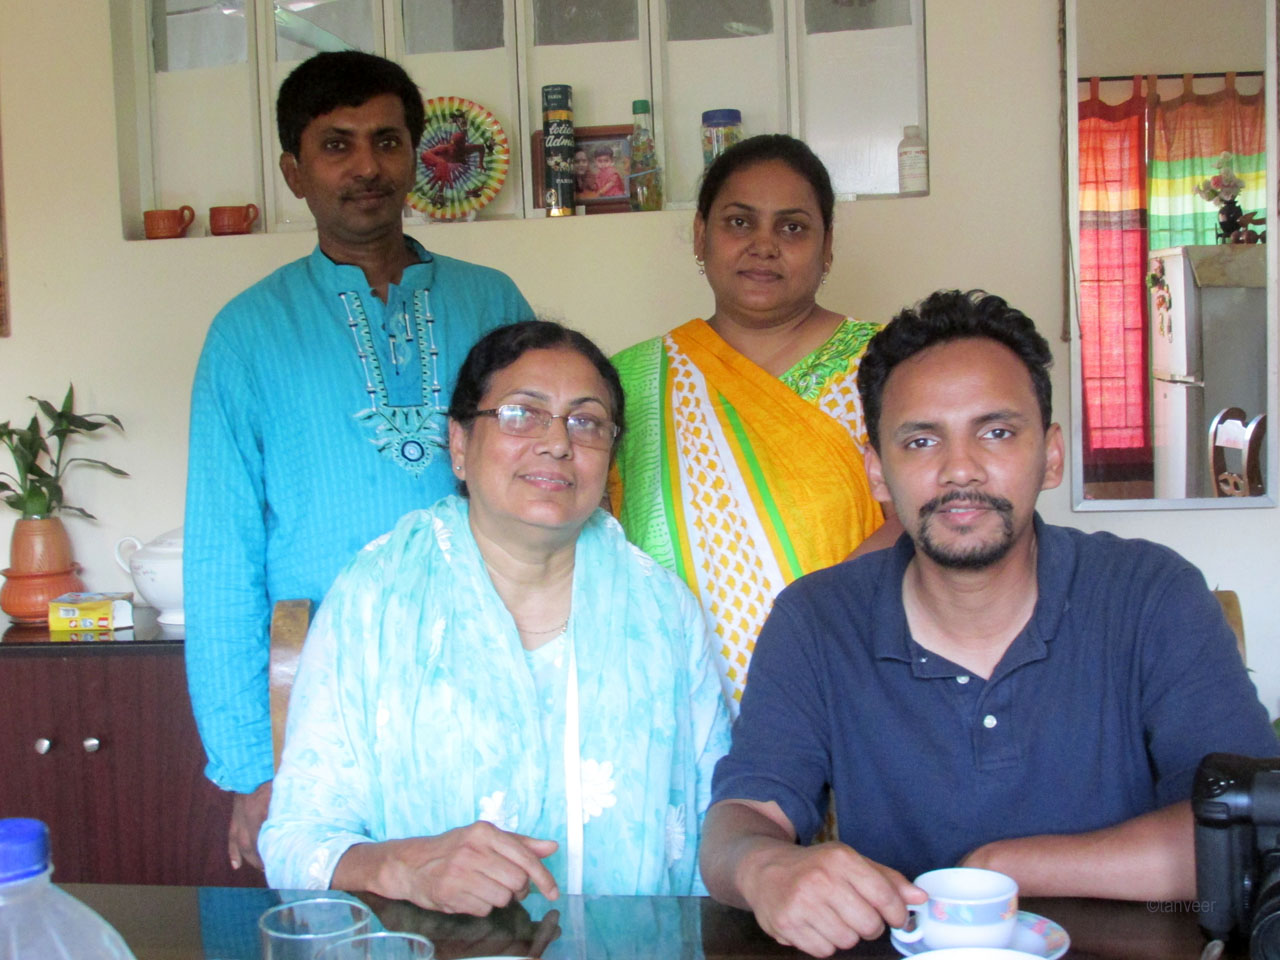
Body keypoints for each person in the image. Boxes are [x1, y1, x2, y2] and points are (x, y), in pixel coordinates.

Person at [699, 289, 1279, 958]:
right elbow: (743, 819)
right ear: (878, 473)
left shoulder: (1151, 595)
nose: (960, 469)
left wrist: (1004, 865)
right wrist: (763, 867)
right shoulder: (816, 620)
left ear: (1051, 456)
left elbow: (1251, 828)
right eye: (921, 440)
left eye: (997, 432)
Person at [184, 50, 534, 875]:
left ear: (415, 155)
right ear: (294, 172)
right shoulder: (248, 333)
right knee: (343, 909)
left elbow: (550, 485)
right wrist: (252, 767)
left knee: (505, 895)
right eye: (336, 145)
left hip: (492, 673)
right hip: (321, 697)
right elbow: (222, 557)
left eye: (387, 140)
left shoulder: (493, 303)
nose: (367, 166)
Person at [258, 320, 731, 913]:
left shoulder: (663, 610)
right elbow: (296, 841)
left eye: (586, 422)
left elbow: (718, 827)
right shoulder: (376, 595)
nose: (557, 442)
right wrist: (404, 867)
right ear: (459, 444)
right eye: (521, 414)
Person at [609, 134, 901, 709]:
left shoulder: (892, 364)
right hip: (676, 703)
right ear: (701, 235)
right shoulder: (630, 381)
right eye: (739, 222)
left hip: (850, 687)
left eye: (792, 227)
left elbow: (928, 522)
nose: (764, 246)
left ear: (827, 246)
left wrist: (814, 631)